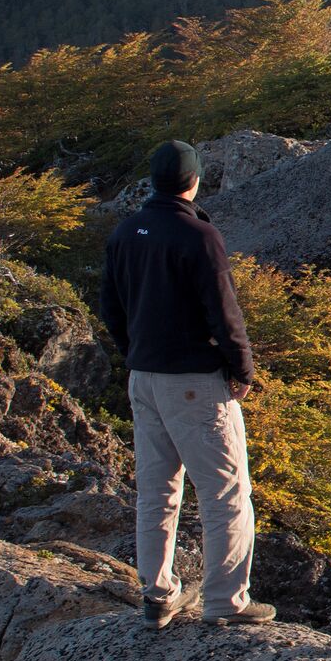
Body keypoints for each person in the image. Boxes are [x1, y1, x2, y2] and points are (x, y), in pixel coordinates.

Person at [96, 140, 273, 628]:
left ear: (153, 181)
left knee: (157, 491)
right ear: (194, 181)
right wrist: (242, 370)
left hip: (144, 379)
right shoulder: (199, 236)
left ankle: (156, 595)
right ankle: (226, 601)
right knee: (227, 494)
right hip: (194, 381)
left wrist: (136, 351)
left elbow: (110, 306)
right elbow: (224, 311)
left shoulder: (127, 232)